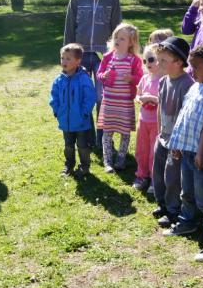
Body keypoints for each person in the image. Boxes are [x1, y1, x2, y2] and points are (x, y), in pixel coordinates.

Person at [163, 43, 203, 265]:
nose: (192, 71)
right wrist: (178, 144)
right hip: (187, 150)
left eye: (197, 67)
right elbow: (184, 117)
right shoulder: (195, 86)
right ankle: (187, 221)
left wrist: (201, 153)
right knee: (187, 192)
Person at [64, 0, 123, 148]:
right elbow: (69, 30)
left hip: (103, 57)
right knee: (83, 96)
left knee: (101, 97)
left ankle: (102, 139)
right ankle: (86, 137)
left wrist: (118, 57)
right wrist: (67, 59)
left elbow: (118, 31)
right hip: (81, 55)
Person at [150, 37, 194, 228]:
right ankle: (162, 203)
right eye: (158, 60)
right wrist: (159, 132)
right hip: (163, 136)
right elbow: (160, 107)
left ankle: (173, 209)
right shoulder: (163, 81)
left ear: (178, 62)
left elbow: (187, 116)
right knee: (158, 172)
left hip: (177, 140)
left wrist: (179, 142)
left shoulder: (187, 84)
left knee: (173, 176)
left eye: (163, 61)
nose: (158, 64)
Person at [96, 23, 143, 172]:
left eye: (122, 38)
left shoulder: (134, 60)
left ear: (131, 42)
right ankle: (107, 161)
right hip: (109, 101)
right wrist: (104, 76)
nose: (118, 40)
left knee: (124, 132)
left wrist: (132, 78)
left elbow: (141, 78)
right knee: (107, 132)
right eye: (116, 36)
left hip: (125, 103)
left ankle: (121, 159)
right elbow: (99, 74)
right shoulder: (108, 57)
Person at [49, 43, 96, 177]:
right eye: (62, 58)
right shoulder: (58, 80)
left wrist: (85, 113)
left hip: (81, 121)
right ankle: (69, 165)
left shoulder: (84, 78)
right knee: (68, 145)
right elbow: (54, 97)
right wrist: (57, 110)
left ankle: (84, 167)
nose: (64, 61)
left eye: (68, 58)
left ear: (78, 61)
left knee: (82, 146)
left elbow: (90, 97)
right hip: (65, 121)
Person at [132, 44, 162, 190]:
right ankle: (141, 175)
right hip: (143, 121)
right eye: (145, 61)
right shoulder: (144, 79)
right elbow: (137, 94)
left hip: (157, 122)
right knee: (142, 150)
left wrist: (153, 99)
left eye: (151, 59)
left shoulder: (164, 80)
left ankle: (154, 179)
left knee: (154, 152)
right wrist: (140, 98)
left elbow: (166, 101)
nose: (147, 64)